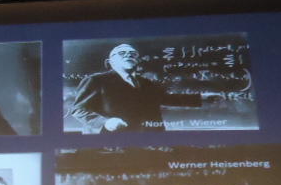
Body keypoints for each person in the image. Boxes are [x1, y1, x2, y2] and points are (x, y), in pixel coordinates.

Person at [71, 43, 203, 133]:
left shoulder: (146, 82)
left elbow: (165, 98)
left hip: (149, 139)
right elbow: (79, 110)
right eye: (122, 53)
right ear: (110, 62)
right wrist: (105, 122)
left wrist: (201, 98)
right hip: (113, 141)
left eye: (133, 54)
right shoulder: (96, 80)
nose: (128, 55)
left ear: (138, 61)